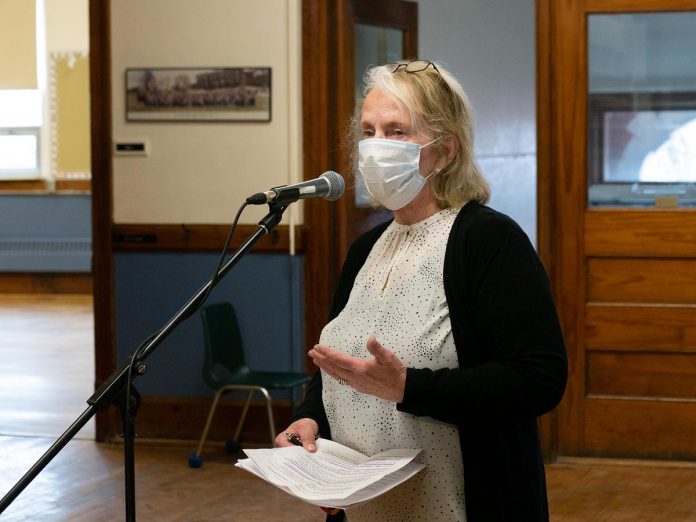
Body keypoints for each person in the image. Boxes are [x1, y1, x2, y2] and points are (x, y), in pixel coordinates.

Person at [276, 60, 567, 522]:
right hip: (364, 506)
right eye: (368, 131)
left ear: (445, 150)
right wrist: (311, 418)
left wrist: (410, 387)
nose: (376, 147)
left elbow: (539, 379)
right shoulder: (367, 248)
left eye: (396, 132)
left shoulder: (488, 240)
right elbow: (340, 370)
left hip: (459, 503)